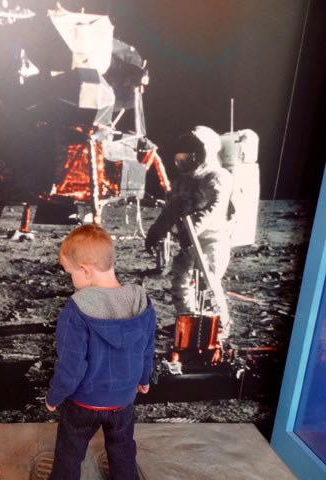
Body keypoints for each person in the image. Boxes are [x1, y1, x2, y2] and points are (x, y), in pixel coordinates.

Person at [43, 224, 156, 480]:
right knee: (123, 450)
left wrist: (54, 396)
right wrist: (144, 378)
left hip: (84, 402)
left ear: (85, 270)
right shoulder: (141, 301)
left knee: (69, 453)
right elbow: (147, 347)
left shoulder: (76, 309)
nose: (71, 280)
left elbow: (71, 366)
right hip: (123, 400)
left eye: (70, 273)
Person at [145, 126, 233, 344]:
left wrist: (192, 229)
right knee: (181, 282)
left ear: (206, 152)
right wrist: (156, 231)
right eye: (183, 153)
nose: (186, 158)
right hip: (190, 242)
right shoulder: (183, 181)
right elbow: (172, 209)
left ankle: (218, 326)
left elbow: (214, 209)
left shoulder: (217, 177)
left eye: (193, 152)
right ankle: (187, 320)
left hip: (212, 241)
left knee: (207, 284)